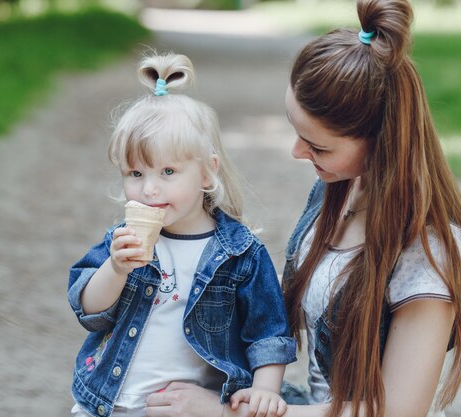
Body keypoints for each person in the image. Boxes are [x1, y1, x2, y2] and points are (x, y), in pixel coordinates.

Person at [144, 0, 461, 416]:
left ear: (381, 141)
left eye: (318, 146)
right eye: (295, 129)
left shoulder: (431, 249)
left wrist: (225, 413)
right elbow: (285, 308)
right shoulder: (337, 191)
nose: (297, 152)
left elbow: (397, 412)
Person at [67, 52, 296, 417]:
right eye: (135, 174)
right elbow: (88, 309)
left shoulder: (240, 253)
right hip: (106, 403)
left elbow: (268, 332)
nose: (149, 190)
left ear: (207, 173)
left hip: (185, 410)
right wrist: (115, 269)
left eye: (168, 172)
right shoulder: (122, 240)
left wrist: (264, 391)